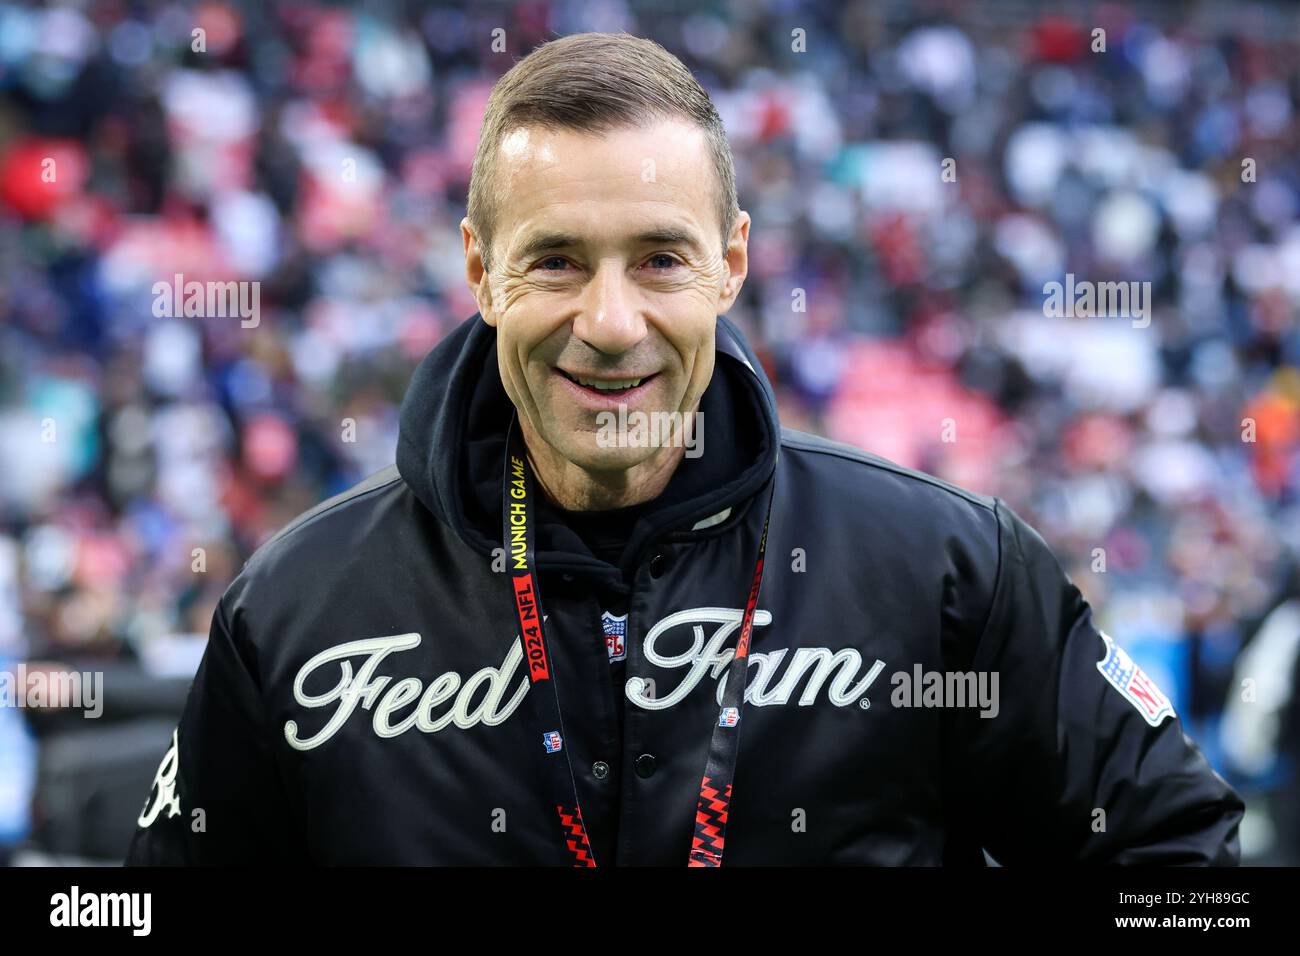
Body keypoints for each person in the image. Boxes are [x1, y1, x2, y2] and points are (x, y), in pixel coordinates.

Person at [126, 31, 1242, 866]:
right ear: (478, 271)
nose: (610, 323)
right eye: (555, 260)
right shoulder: (297, 608)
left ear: (731, 263)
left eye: (660, 259)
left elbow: (1181, 859)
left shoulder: (943, 565)